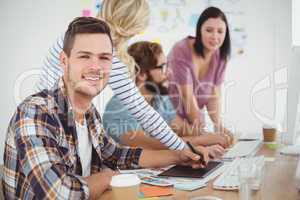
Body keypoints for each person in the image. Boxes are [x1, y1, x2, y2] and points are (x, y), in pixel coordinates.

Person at [3, 17, 209, 200]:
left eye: (104, 58)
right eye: (84, 56)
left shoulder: (90, 114)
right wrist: (109, 177)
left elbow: (117, 155)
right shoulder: (34, 113)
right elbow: (60, 194)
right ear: (64, 61)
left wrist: (179, 155)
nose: (96, 67)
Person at [37, 0, 186, 150]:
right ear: (132, 27)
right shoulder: (105, 56)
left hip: (46, 118)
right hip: (48, 127)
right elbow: (145, 114)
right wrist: (183, 149)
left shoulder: (72, 36)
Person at [103, 41, 229, 152]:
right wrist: (201, 141)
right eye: (162, 67)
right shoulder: (119, 106)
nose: (169, 73)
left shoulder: (160, 100)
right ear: (141, 74)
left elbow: (184, 129)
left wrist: (216, 137)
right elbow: (149, 145)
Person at [167, 7, 233, 145]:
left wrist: (218, 126)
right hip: (170, 119)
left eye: (220, 31)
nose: (215, 37)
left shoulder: (220, 56)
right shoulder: (181, 50)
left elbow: (213, 96)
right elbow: (187, 97)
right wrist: (203, 133)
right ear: (199, 30)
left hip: (194, 122)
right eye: (209, 30)